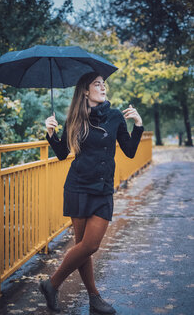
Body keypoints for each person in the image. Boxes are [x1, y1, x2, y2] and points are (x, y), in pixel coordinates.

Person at [39, 71, 144, 314]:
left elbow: (129, 151)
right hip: (77, 187)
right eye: (97, 84)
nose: (103, 87)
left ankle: (51, 284)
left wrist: (138, 125)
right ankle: (95, 299)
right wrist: (51, 133)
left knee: (90, 245)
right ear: (85, 90)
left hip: (103, 189)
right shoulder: (75, 118)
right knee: (82, 246)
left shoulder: (116, 116)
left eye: (103, 84)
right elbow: (63, 153)